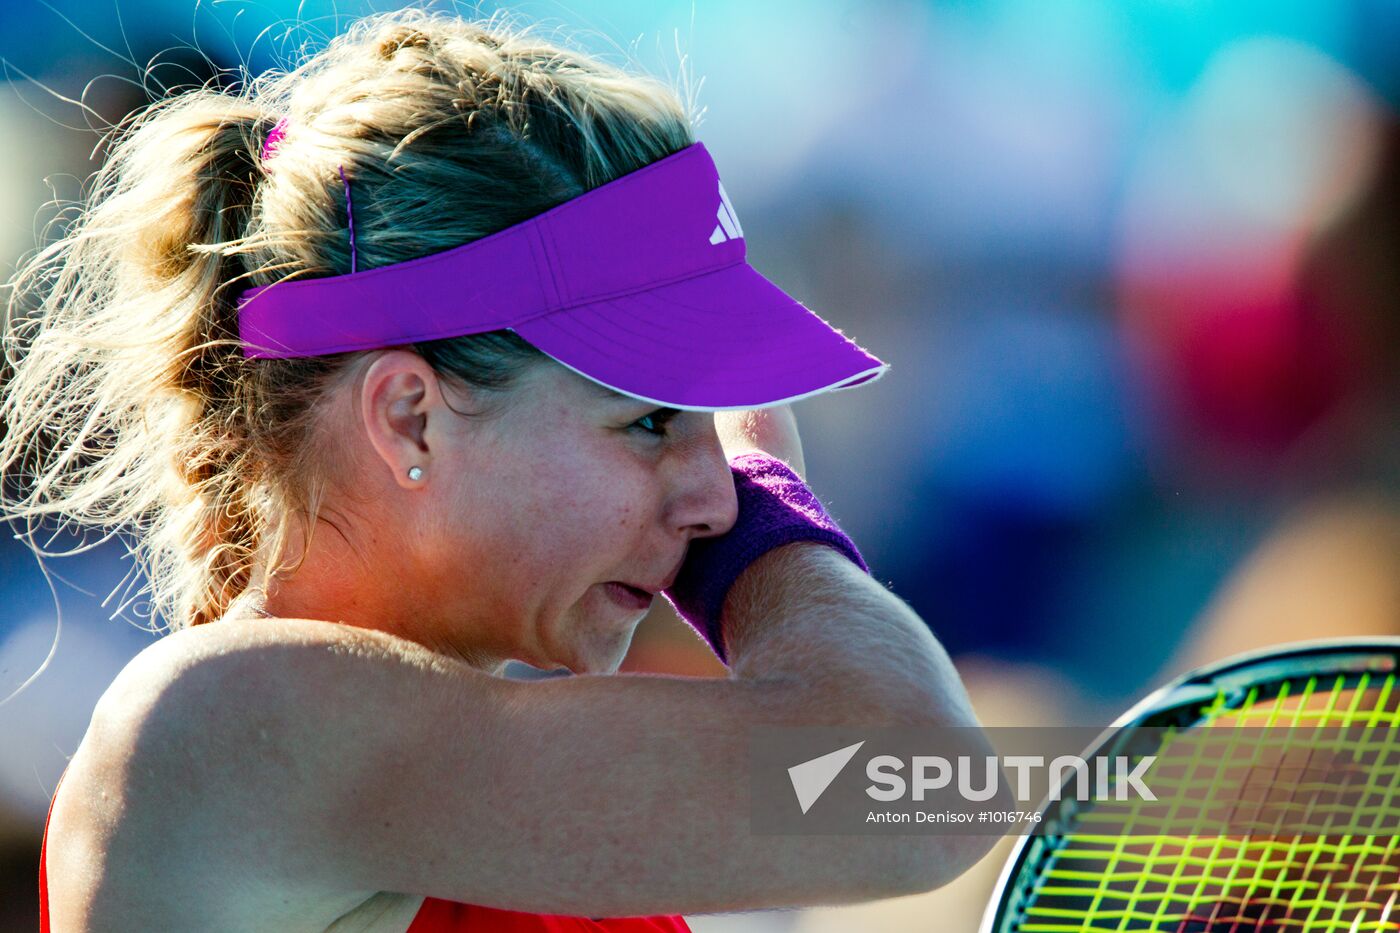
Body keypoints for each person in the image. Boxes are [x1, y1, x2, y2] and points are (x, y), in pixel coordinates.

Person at [1, 10, 991, 930]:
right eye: (649, 421)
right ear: (409, 418)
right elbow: (914, 789)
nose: (712, 493)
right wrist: (771, 535)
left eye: (706, 428)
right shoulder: (238, 719)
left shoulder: (430, 751)